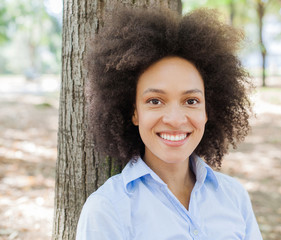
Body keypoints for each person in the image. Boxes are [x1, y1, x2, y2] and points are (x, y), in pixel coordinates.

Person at [76, 7, 263, 240]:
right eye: (155, 101)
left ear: (208, 110)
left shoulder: (234, 197)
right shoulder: (107, 210)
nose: (175, 119)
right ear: (134, 112)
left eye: (191, 101)